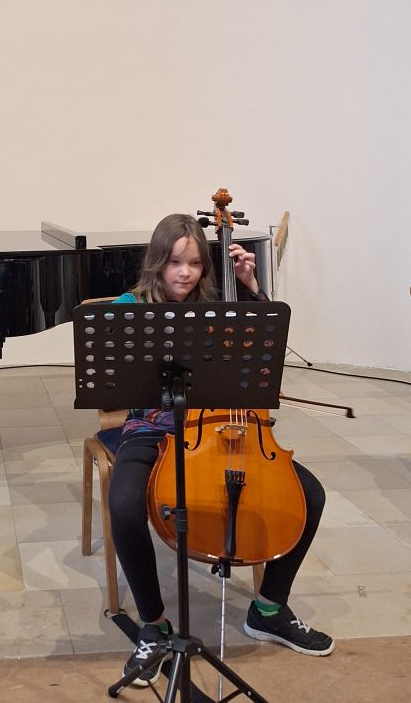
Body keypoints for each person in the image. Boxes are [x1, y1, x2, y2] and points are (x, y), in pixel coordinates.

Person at [108, 213, 334, 687]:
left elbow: (264, 357)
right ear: (157, 262)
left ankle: (269, 610)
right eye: (175, 262)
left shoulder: (218, 306)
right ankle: (153, 625)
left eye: (194, 264)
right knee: (125, 504)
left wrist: (250, 287)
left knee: (309, 495)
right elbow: (115, 386)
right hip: (151, 429)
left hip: (218, 428)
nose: (184, 273)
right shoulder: (130, 308)